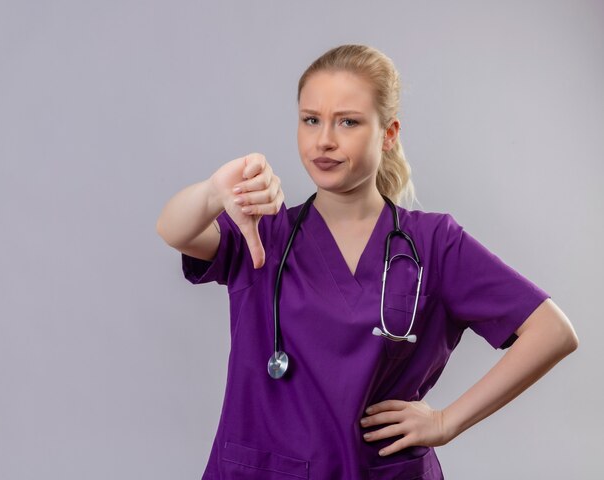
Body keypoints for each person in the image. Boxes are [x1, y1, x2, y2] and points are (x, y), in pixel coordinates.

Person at [156, 44, 579, 479]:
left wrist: (445, 421)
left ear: (389, 133)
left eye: (348, 122)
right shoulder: (262, 231)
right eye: (311, 120)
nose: (324, 140)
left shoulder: (432, 243)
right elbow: (175, 230)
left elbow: (552, 332)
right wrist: (212, 191)